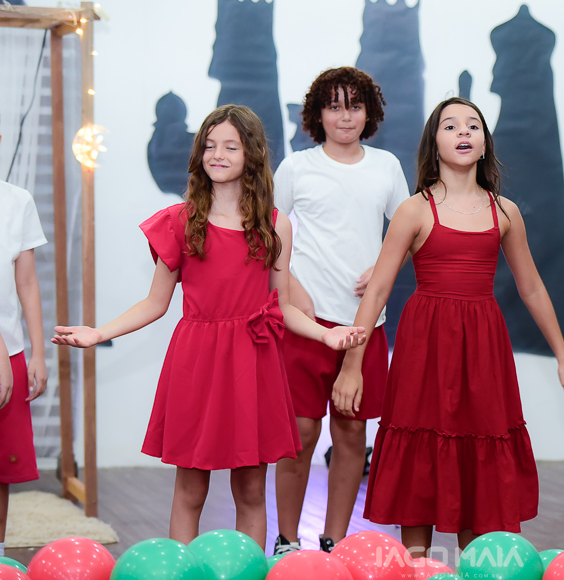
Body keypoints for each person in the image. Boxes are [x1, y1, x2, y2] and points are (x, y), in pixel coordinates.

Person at [52, 105, 365, 548]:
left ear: (251, 154)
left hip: (253, 363)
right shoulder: (179, 221)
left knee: (251, 489)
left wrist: (326, 334)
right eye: (210, 146)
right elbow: (155, 303)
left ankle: (248, 572)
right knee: (191, 489)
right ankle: (182, 571)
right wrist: (99, 333)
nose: (218, 154)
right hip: (197, 361)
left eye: (230, 146)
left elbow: (283, 306)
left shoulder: (275, 224)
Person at [334, 97, 564, 556]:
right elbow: (378, 289)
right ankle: (418, 567)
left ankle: (475, 565)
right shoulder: (414, 209)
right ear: (434, 143)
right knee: (420, 448)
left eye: (473, 125)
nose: (464, 132)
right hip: (426, 343)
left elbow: (532, 288)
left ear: (485, 144)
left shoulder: (505, 212)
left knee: (479, 455)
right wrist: (353, 365)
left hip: (483, 345)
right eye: (451, 126)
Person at [272, 67, 409, 554]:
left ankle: (335, 540)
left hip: (366, 324)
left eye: (354, 105)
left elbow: (409, 233)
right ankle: (287, 540)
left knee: (351, 434)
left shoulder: (386, 167)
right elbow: (266, 235)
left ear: (369, 113)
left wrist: (383, 265)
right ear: (318, 114)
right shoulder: (296, 168)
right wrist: (291, 288)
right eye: (334, 106)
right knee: (300, 433)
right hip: (306, 325)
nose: (345, 116)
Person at [0, 126, 49, 556]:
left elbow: (27, 282)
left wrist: (37, 352)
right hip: (2, 352)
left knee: (2, 468)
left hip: (11, 353)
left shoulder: (18, 201)